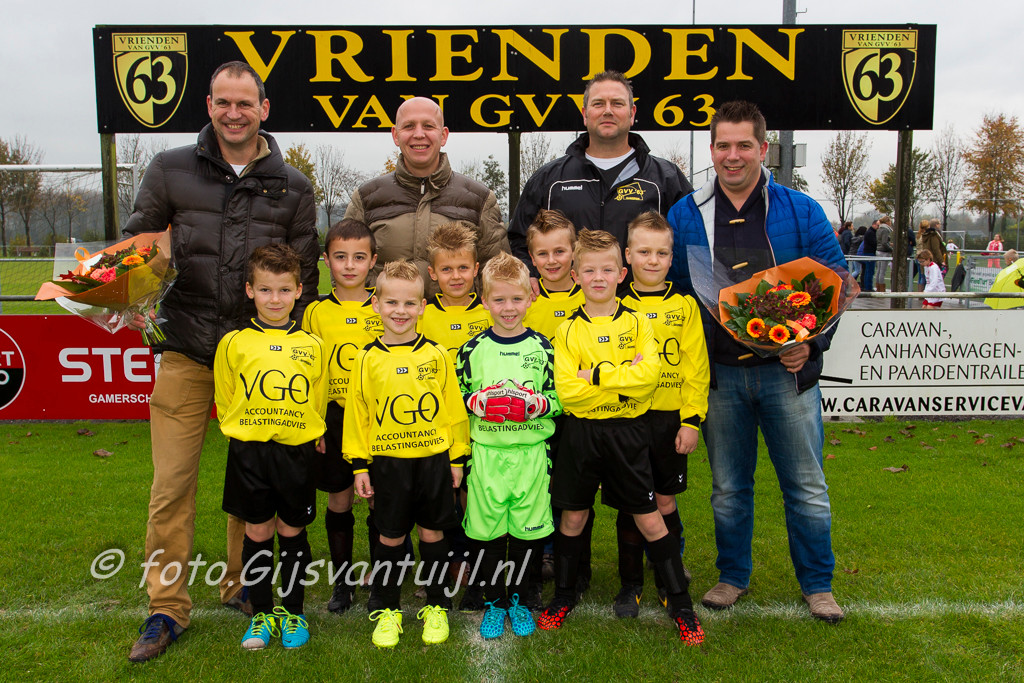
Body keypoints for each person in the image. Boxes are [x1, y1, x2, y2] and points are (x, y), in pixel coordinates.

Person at [124, 61, 318, 663]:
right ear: (208, 105)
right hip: (186, 350)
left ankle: (244, 588)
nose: (234, 113)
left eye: (245, 103)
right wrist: (127, 292)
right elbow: (136, 248)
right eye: (223, 102)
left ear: (264, 109)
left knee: (255, 480)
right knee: (172, 486)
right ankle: (166, 607)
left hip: (260, 362)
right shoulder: (169, 167)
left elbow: (305, 278)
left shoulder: (293, 184)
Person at [667, 100, 846, 623]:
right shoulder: (686, 213)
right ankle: (732, 576)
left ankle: (818, 584)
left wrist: (811, 344)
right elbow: (672, 288)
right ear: (711, 150)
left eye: (744, 145)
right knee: (728, 489)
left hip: (786, 377)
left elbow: (835, 283)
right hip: (721, 378)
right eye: (723, 145)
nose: (733, 155)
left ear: (763, 149)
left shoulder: (800, 209)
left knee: (806, 487)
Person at [539, 228, 703, 645]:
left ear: (621, 273)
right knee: (573, 517)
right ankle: (563, 596)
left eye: (607, 270)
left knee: (649, 517)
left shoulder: (638, 322)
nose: (598, 278)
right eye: (589, 271)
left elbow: (648, 379)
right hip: (582, 433)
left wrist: (594, 375)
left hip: (628, 433)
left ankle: (681, 605)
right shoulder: (567, 330)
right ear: (575, 276)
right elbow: (567, 392)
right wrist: (622, 377)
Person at [344, 260, 470, 648]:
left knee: (433, 533)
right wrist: (360, 465)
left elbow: (453, 411)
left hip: (432, 461)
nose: (400, 311)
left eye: (409, 303)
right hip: (388, 463)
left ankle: (437, 605)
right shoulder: (366, 358)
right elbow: (358, 414)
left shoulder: (436, 354)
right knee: (391, 535)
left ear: (422, 307)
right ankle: (387, 609)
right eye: (392, 302)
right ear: (376, 305)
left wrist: (456, 457)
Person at [214, 244, 327, 651]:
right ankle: (261, 613)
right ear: (250, 291)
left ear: (298, 291)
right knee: (258, 531)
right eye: (265, 290)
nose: (274, 299)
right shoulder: (234, 342)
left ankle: (294, 612)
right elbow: (225, 396)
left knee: (291, 531)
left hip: (295, 452)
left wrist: (310, 432)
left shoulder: (313, 345)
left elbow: (317, 397)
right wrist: (243, 430)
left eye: (283, 290)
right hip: (250, 452)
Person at [455, 252, 561, 639]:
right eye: (499, 299)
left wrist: (536, 404)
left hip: (530, 455)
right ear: (484, 301)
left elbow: (560, 398)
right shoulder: (471, 350)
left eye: (516, 298)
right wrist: (476, 401)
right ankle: (493, 602)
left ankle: (518, 599)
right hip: (486, 455)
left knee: (525, 536)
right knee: (487, 535)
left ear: (530, 298)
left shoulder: (544, 348)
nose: (508, 308)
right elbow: (455, 397)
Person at [508, 71, 693, 290]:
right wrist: (529, 274)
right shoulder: (549, 180)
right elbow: (518, 239)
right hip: (568, 309)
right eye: (598, 104)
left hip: (645, 308)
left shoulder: (665, 178)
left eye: (617, 103)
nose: (607, 111)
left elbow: (691, 242)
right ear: (585, 114)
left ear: (632, 113)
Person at [618, 211, 709, 617]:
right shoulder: (614, 304)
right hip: (626, 420)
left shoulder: (685, 306)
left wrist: (691, 420)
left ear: (672, 258)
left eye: (661, 253)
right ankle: (630, 583)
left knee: (666, 501)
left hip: (670, 421)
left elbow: (696, 367)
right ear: (628, 255)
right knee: (630, 501)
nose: (652, 260)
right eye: (644, 252)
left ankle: (667, 575)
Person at [344, 97, 508, 298]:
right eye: (409, 126)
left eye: (428, 126)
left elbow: (498, 275)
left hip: (457, 318)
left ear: (443, 135)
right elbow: (344, 269)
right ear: (395, 135)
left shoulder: (479, 199)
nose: (419, 134)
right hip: (383, 318)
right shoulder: (366, 198)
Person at [300, 219, 382, 615]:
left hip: (378, 419)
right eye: (340, 257)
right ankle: (342, 582)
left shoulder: (385, 304)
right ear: (326, 259)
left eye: (359, 257)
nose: (350, 265)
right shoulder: (316, 311)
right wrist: (314, 422)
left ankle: (382, 579)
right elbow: (309, 371)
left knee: (379, 499)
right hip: (333, 417)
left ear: (373, 261)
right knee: (340, 497)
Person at [419, 222, 492, 358]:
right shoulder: (421, 314)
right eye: (446, 269)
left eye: (463, 267)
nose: (456, 276)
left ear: (475, 269)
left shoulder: (490, 313)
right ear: (432, 273)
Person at [522, 209, 585, 340]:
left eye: (559, 251)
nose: (551, 261)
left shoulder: (589, 297)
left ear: (574, 252)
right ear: (532, 258)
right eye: (542, 254)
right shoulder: (524, 301)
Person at [874, 215, 893, 292]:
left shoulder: (879, 229)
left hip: (878, 250)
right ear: (887, 222)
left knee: (879, 271)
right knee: (882, 271)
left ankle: (878, 287)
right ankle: (881, 289)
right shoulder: (885, 230)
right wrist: (891, 249)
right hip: (884, 252)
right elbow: (884, 242)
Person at [861, 220, 878, 292]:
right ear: (873, 224)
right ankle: (868, 287)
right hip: (869, 253)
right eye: (877, 225)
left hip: (868, 252)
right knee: (870, 271)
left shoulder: (870, 232)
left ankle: (867, 286)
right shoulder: (870, 233)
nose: (878, 227)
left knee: (868, 270)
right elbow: (874, 243)